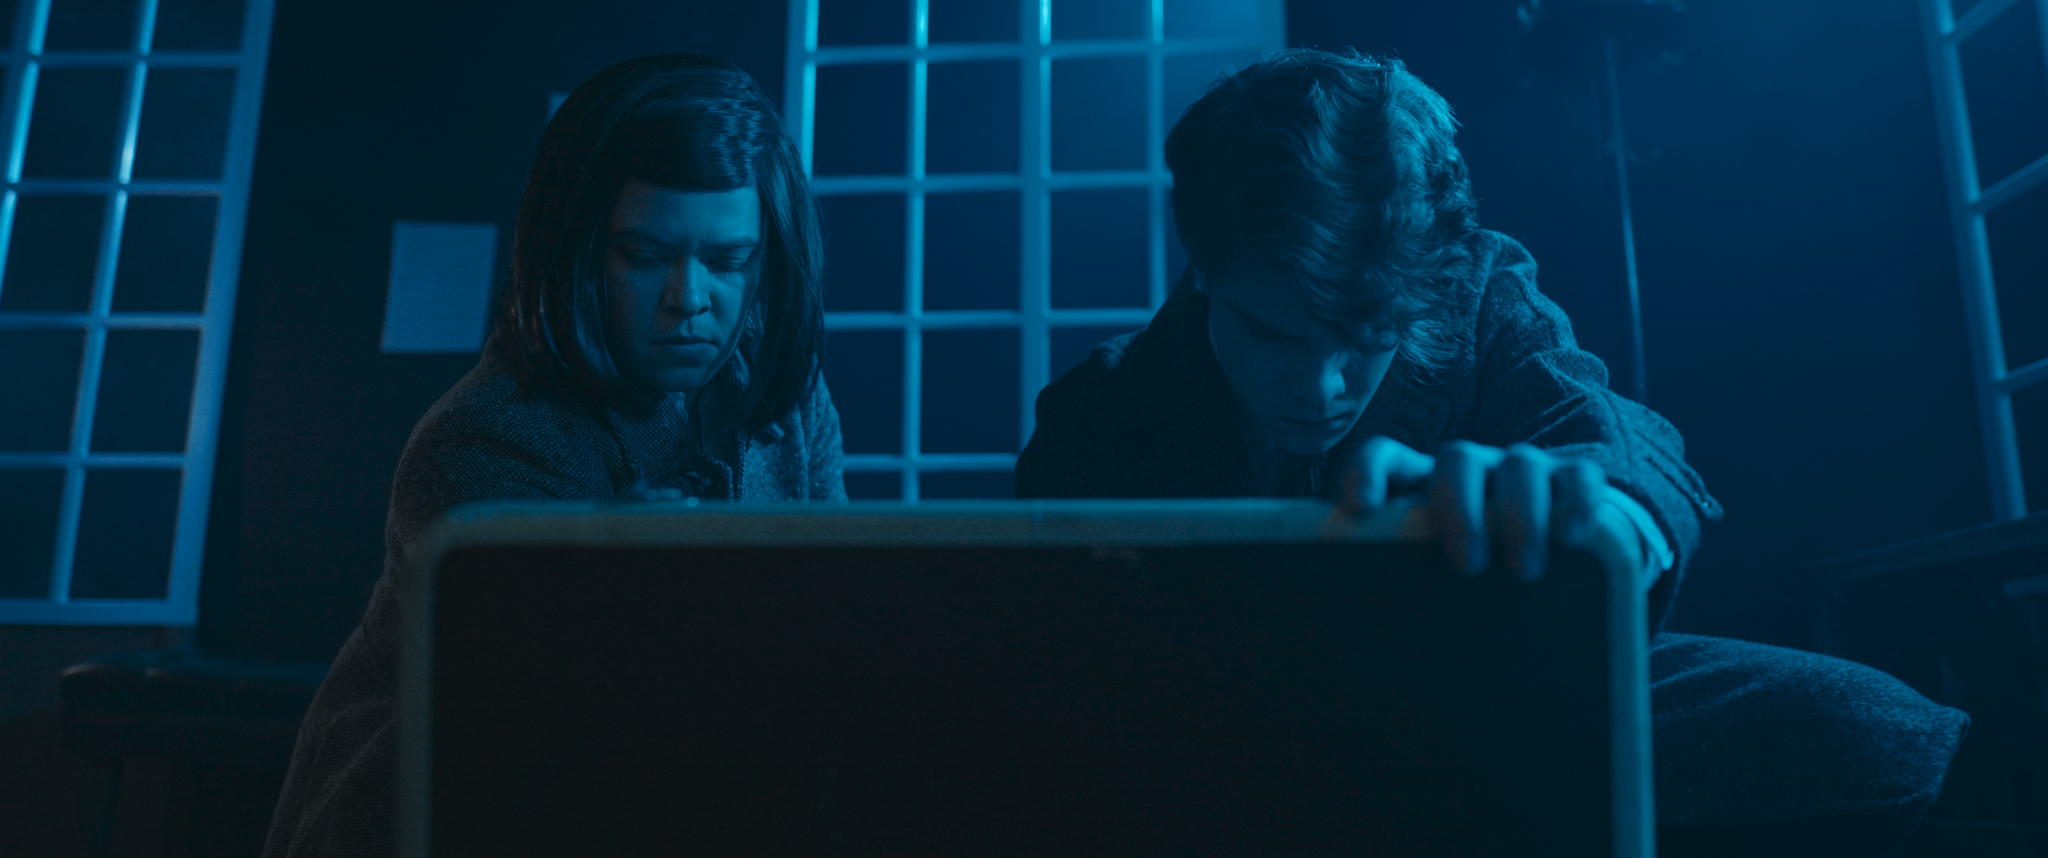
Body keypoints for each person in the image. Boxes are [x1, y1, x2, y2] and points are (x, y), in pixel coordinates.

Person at [1015, 48, 1967, 857]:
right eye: (1275, 335)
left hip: (1493, 710)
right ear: (1202, 268)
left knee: (1869, 732)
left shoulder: (1478, 295)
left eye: (1366, 336)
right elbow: (1041, 692)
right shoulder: (1096, 411)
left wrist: (1597, 512)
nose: (1321, 388)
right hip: (1219, 757)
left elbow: (1616, 433)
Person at [263, 54, 845, 858]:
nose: (690, 298)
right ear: (578, 251)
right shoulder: (484, 440)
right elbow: (562, 740)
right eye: (643, 257)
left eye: (727, 260)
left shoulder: (785, 403)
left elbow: (835, 635)